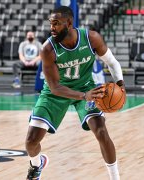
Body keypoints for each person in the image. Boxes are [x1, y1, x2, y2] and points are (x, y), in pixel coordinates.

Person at [25, 6, 125, 180]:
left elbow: (113, 63)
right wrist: (83, 96)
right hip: (55, 93)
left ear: (69, 23)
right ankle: (37, 164)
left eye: (56, 23)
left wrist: (121, 86)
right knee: (31, 141)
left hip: (86, 87)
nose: (52, 28)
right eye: (50, 24)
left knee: (101, 131)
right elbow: (55, 87)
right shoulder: (47, 49)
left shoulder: (91, 38)